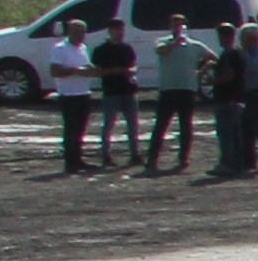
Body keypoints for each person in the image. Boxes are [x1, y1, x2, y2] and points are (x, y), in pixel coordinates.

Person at [143, 12, 204, 171]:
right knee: (161, 125)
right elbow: (161, 51)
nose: (178, 27)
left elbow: (212, 57)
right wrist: (176, 43)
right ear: (170, 26)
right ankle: (152, 159)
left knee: (186, 126)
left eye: (180, 24)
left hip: (187, 90)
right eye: (175, 24)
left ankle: (183, 158)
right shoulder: (162, 42)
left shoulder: (194, 45)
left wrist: (202, 70)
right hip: (168, 90)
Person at [221, 18, 258, 176]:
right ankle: (249, 160)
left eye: (244, 38)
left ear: (253, 38)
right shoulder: (244, 52)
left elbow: (252, 67)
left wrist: (242, 55)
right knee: (245, 128)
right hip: (246, 93)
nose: (241, 41)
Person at [86, 16, 139, 167]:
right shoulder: (101, 50)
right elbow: (95, 72)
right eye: (116, 30)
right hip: (111, 90)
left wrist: (131, 71)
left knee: (133, 125)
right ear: (109, 31)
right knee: (109, 124)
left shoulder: (127, 48)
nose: (119, 33)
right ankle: (105, 155)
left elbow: (134, 65)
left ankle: (135, 154)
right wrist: (112, 71)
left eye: (121, 29)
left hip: (129, 89)